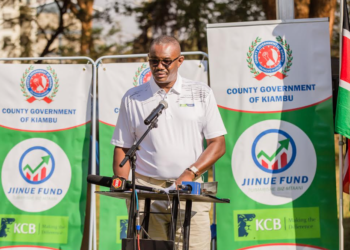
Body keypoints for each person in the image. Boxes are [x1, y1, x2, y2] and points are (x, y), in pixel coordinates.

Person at [111, 35, 226, 250]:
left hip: (188, 192)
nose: (159, 66)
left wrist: (191, 172)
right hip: (146, 194)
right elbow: (123, 146)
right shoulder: (133, 97)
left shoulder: (201, 93)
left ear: (180, 61)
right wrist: (122, 182)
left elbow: (217, 143)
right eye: (154, 61)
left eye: (166, 61)